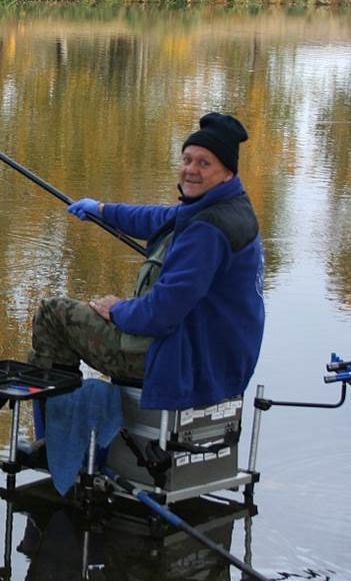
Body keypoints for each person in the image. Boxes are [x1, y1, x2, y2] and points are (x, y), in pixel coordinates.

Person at [28, 113, 265, 410]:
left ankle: (54, 437)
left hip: (186, 364)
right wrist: (101, 210)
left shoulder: (208, 231)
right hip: (219, 360)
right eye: (187, 159)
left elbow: (160, 314)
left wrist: (117, 310)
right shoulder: (230, 207)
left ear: (227, 172)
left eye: (204, 163)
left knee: (53, 315)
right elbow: (161, 219)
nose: (191, 170)